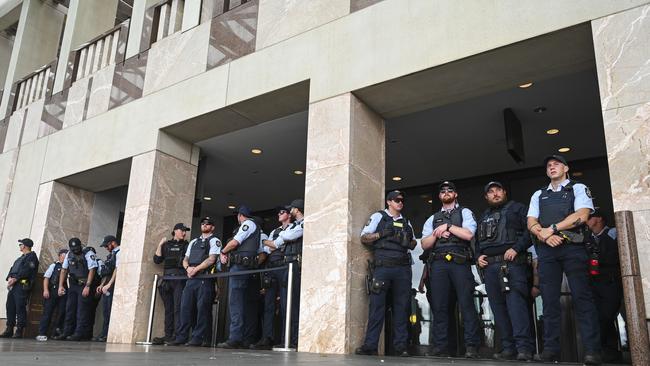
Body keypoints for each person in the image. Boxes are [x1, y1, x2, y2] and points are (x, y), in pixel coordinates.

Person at [527, 154, 601, 365]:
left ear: (566, 168)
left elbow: (582, 215)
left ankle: (592, 352)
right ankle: (550, 351)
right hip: (547, 251)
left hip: (573, 248)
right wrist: (542, 235)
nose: (552, 167)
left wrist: (551, 229)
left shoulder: (578, 188)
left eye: (556, 164)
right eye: (549, 165)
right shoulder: (539, 194)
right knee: (549, 301)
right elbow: (531, 220)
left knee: (582, 298)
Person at [475, 181, 535, 361]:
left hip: (512, 265)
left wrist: (516, 248)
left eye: (498, 190)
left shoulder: (517, 209)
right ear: (486, 197)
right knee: (498, 310)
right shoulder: (484, 215)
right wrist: (478, 256)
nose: (495, 194)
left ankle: (524, 348)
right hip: (490, 269)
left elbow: (531, 231)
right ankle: (508, 348)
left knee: (516, 308)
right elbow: (477, 242)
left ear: (504, 192)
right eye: (491, 192)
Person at [421, 181, 480, 358]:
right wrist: (436, 233)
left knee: (466, 304)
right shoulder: (433, 218)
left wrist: (449, 227)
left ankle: (471, 346)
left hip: (459, 261)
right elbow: (424, 244)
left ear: (456, 194)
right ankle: (441, 347)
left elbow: (469, 234)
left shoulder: (465, 212)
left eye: (450, 190)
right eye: (443, 191)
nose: (446, 192)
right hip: (438, 263)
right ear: (440, 196)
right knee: (439, 307)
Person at [355, 190, 416, 357]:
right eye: (397, 200)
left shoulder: (406, 221)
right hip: (383, 268)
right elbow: (364, 237)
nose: (400, 202)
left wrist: (408, 242)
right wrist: (381, 234)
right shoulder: (378, 217)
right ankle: (370, 346)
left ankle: (400, 347)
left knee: (401, 308)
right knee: (377, 308)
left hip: (402, 269)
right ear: (389, 202)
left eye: (402, 200)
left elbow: (414, 243)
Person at [168, 217, 220, 346]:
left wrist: (195, 269)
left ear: (212, 227)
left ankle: (198, 337)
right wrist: (188, 268)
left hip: (205, 278)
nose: (204, 225)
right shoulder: (194, 242)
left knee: (202, 309)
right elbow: (185, 258)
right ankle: (182, 336)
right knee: (185, 307)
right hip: (191, 278)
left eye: (208, 224)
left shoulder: (215, 240)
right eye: (203, 223)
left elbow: (211, 259)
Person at [218, 206, 262, 349]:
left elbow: (235, 242)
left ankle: (235, 338)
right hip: (248, 268)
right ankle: (246, 338)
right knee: (246, 303)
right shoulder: (256, 228)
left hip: (240, 268)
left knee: (236, 302)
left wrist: (222, 251)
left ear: (240, 215)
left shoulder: (247, 224)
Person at [264, 199, 304, 348]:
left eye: (290, 209)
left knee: (291, 305)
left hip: (295, 266)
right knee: (285, 305)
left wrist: (278, 239)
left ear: (296, 210)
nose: (289, 211)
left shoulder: (303, 223)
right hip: (287, 265)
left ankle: (292, 340)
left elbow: (287, 237)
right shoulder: (289, 226)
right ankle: (286, 339)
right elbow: (274, 245)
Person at [251, 206, 292, 350]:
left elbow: (282, 244)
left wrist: (275, 244)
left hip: (285, 267)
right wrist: (276, 244)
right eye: (279, 212)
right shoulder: (275, 231)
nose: (279, 215)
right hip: (272, 267)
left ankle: (285, 338)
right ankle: (267, 337)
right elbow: (267, 247)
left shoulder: (293, 228)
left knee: (285, 305)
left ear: (289, 215)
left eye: (282, 212)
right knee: (268, 304)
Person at [587, 209, 623, 362]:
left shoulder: (613, 233)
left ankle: (609, 350)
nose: (586, 220)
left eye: (589, 217)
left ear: (599, 219)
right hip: (593, 283)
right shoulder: (587, 238)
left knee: (606, 316)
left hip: (610, 282)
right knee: (597, 317)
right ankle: (608, 351)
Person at [152, 223, 190, 344]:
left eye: (185, 231)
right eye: (182, 230)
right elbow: (157, 260)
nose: (184, 233)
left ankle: (178, 336)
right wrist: (160, 244)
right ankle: (168, 335)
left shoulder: (186, 245)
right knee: (169, 309)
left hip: (180, 279)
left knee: (178, 308)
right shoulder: (166, 245)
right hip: (167, 279)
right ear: (175, 231)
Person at [55, 237, 98, 341]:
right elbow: (64, 270)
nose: (75, 250)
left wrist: (88, 286)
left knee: (81, 311)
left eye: (77, 248)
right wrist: (61, 285)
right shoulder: (69, 254)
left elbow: (92, 270)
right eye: (73, 249)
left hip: (84, 285)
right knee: (70, 309)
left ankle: (79, 333)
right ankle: (67, 332)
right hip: (73, 285)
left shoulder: (88, 253)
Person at [0, 238, 39, 339]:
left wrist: (16, 278)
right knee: (10, 306)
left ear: (25, 246)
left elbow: (27, 270)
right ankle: (9, 328)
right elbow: (12, 269)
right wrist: (9, 277)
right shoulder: (20, 258)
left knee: (20, 307)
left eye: (20, 244)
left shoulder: (32, 257)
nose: (20, 246)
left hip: (22, 284)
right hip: (14, 285)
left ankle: (19, 330)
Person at [36, 248, 68, 341]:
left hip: (64, 292)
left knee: (61, 312)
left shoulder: (69, 267)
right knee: (47, 312)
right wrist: (46, 290)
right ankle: (42, 333)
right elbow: (46, 278)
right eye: (63, 257)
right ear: (59, 257)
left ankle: (55, 333)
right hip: (53, 291)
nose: (65, 260)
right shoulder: (54, 265)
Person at [92, 235, 120, 342]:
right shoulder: (111, 255)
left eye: (107, 246)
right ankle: (104, 333)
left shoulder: (119, 252)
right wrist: (102, 284)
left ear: (113, 243)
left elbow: (117, 269)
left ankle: (106, 334)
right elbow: (107, 272)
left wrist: (109, 284)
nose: (106, 248)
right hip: (107, 285)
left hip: (112, 286)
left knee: (109, 310)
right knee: (105, 311)